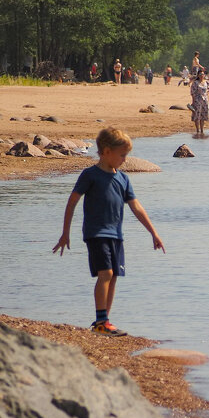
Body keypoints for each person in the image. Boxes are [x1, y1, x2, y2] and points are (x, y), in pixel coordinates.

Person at [52, 127, 164, 336]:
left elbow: (136, 207)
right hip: (96, 233)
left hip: (116, 235)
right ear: (106, 152)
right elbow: (72, 202)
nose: (125, 159)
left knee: (113, 277)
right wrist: (65, 233)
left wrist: (153, 233)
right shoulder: (90, 175)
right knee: (106, 274)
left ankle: (105, 321)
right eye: (122, 155)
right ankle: (100, 321)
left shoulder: (123, 179)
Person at [190, 70, 209, 136]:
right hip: (197, 100)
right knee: (197, 115)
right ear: (198, 75)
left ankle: (202, 130)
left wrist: (207, 93)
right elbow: (192, 93)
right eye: (200, 74)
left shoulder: (206, 82)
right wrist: (193, 102)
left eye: (203, 74)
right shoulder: (195, 83)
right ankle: (197, 130)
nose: (202, 76)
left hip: (205, 100)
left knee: (203, 116)